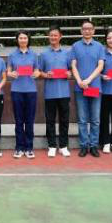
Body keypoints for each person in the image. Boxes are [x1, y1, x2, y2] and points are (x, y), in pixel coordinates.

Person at [70, 20, 105, 157]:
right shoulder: (75, 46)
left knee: (95, 119)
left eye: (90, 29)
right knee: (82, 119)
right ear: (81, 31)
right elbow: (73, 65)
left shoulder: (99, 46)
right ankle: (84, 145)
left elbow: (100, 65)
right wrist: (79, 81)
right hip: (80, 88)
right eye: (85, 29)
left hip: (95, 87)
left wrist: (89, 80)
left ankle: (94, 145)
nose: (87, 31)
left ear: (93, 31)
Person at [38, 26, 72, 158]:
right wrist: (46, 75)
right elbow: (39, 72)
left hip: (64, 93)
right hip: (50, 93)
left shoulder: (67, 53)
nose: (53, 37)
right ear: (49, 37)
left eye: (55, 35)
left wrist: (69, 73)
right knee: (50, 120)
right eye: (51, 35)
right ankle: (52, 146)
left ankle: (63, 146)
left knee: (64, 120)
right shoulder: (43, 54)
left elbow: (71, 70)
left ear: (60, 36)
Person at [7, 31, 40, 159]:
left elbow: (37, 70)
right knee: (19, 121)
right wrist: (11, 74)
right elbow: (8, 71)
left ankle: (29, 148)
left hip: (31, 91)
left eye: (25, 38)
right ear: (17, 40)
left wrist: (36, 74)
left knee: (29, 121)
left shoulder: (34, 55)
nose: (23, 40)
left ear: (28, 39)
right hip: (17, 91)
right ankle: (19, 148)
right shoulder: (12, 55)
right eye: (20, 38)